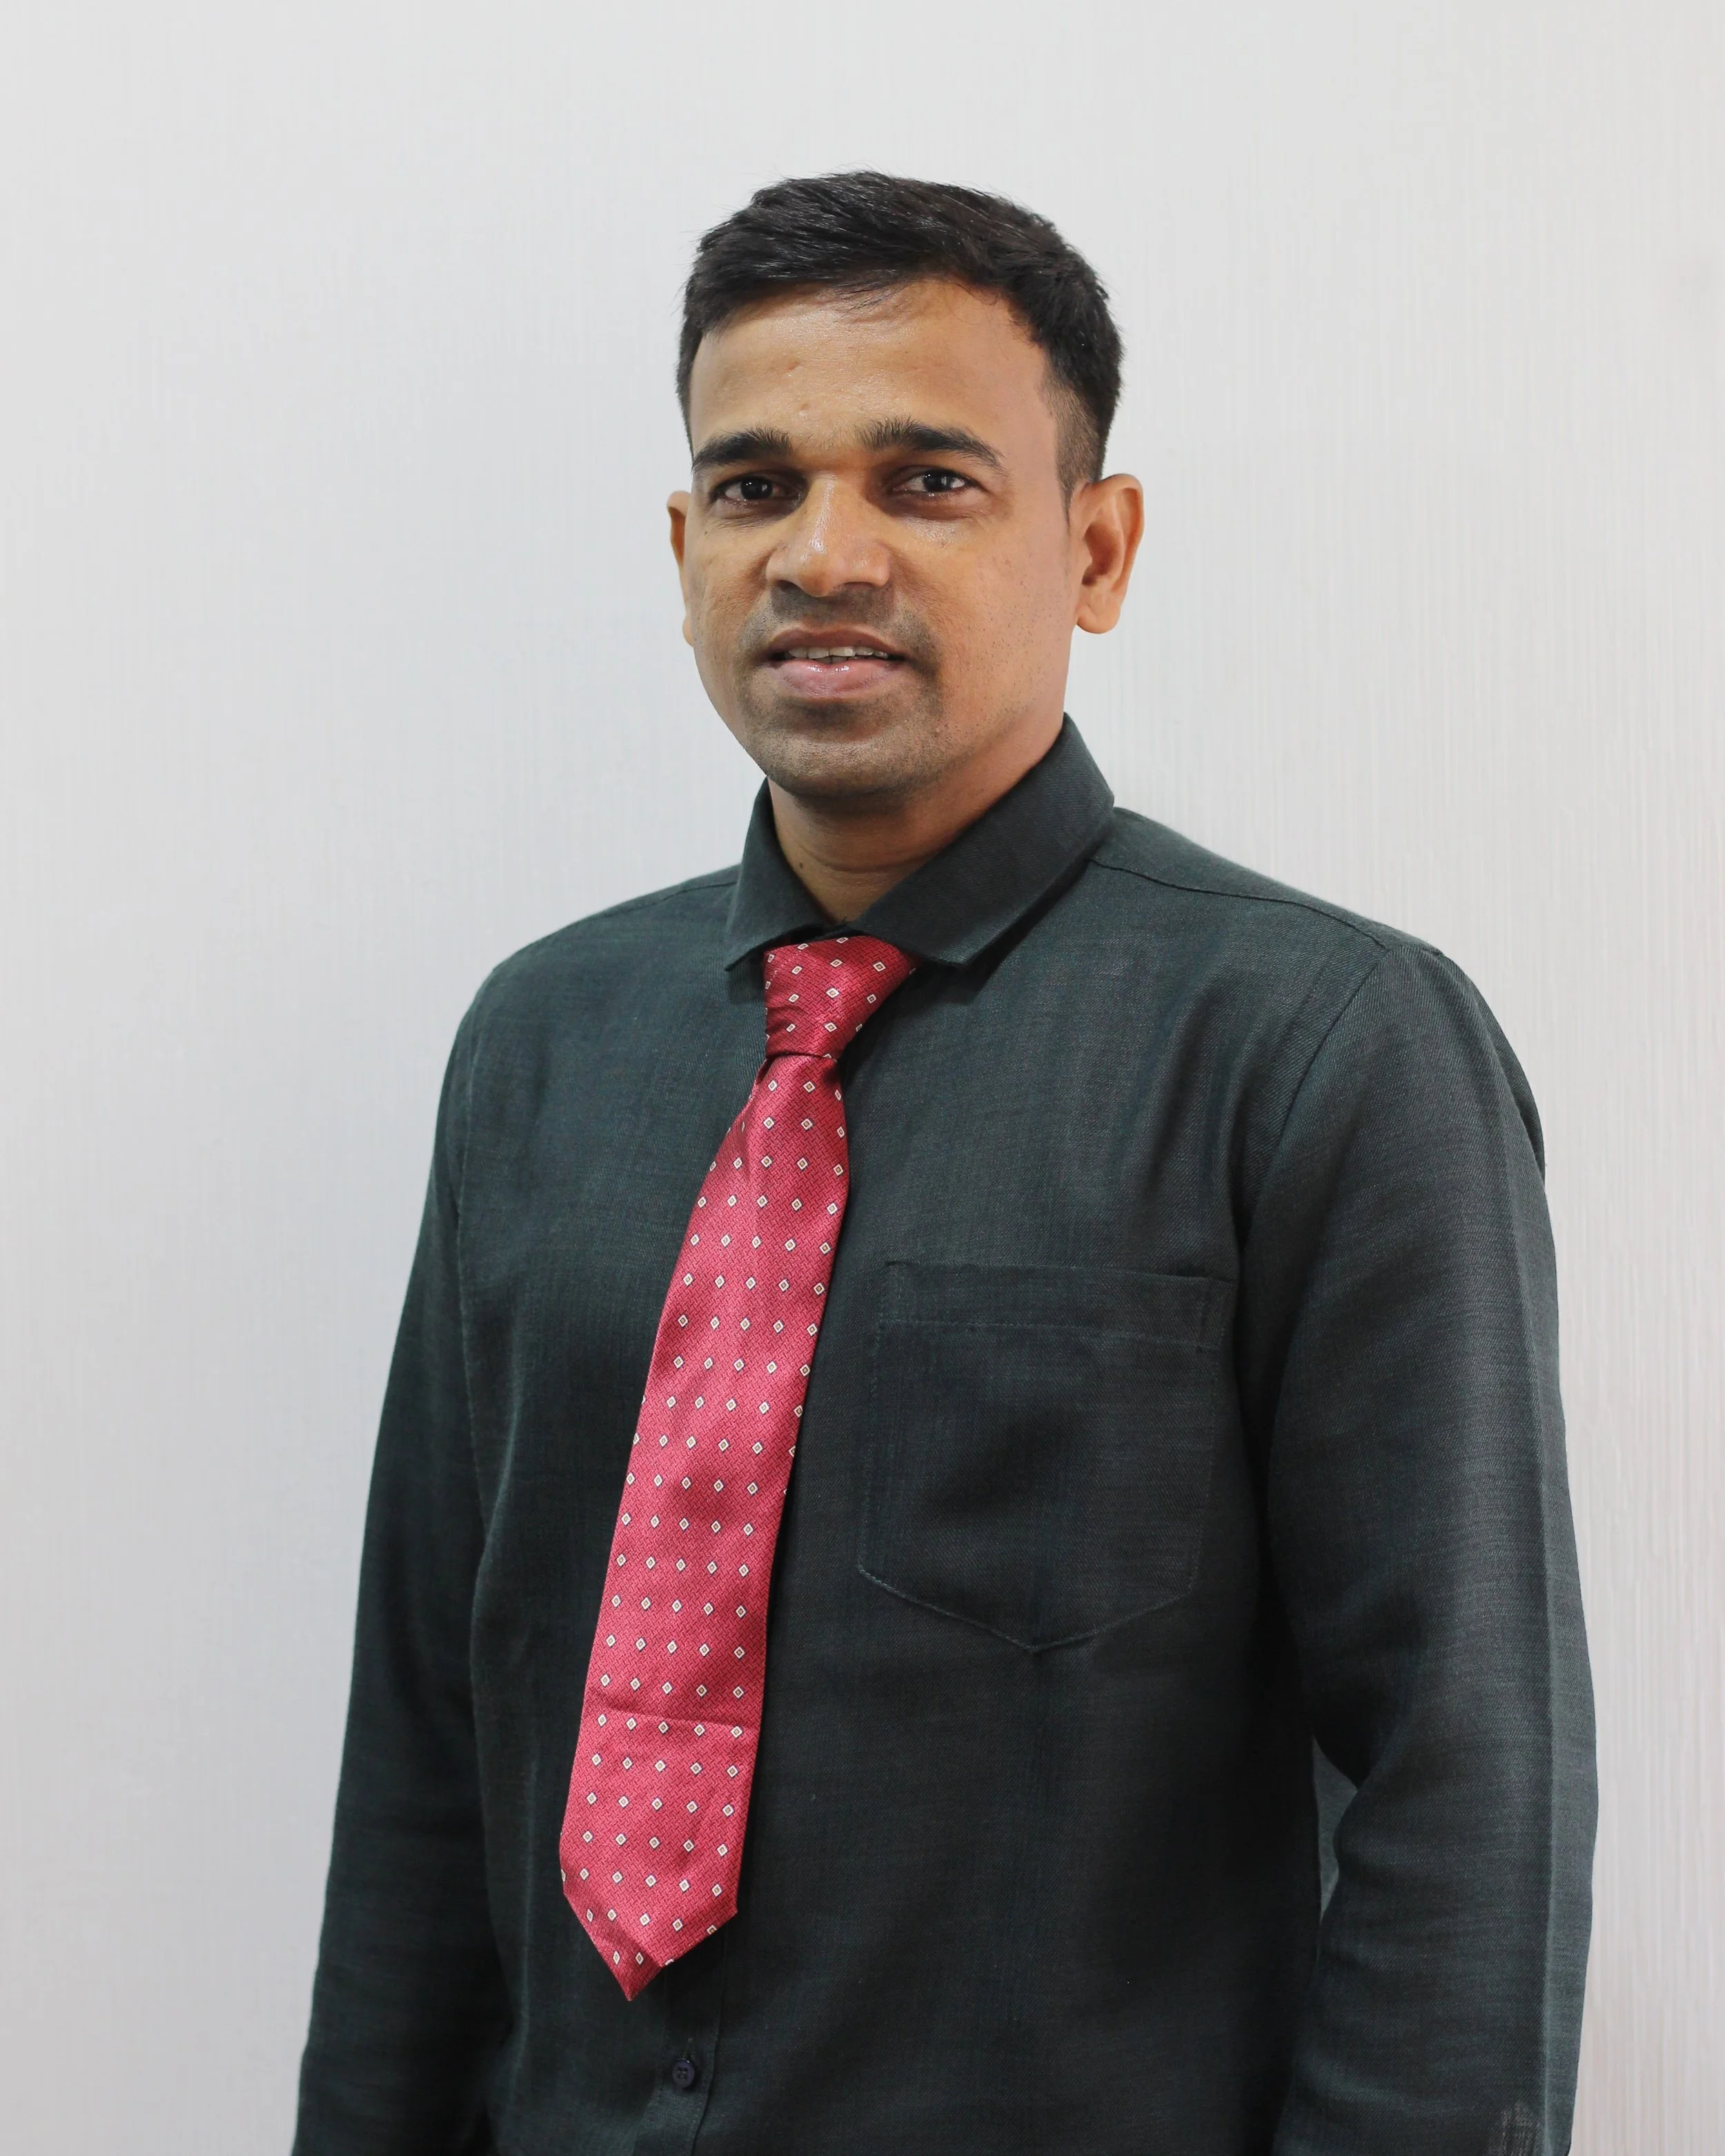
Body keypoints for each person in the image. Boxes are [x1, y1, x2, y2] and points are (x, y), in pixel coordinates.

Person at [293, 172, 1595, 2156]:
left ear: (1095, 543)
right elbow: (429, 1723)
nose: (824, 552)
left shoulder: (1321, 1050)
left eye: (924, 482)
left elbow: (1464, 1772)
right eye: (753, 486)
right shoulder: (541, 1045)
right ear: (680, 546)